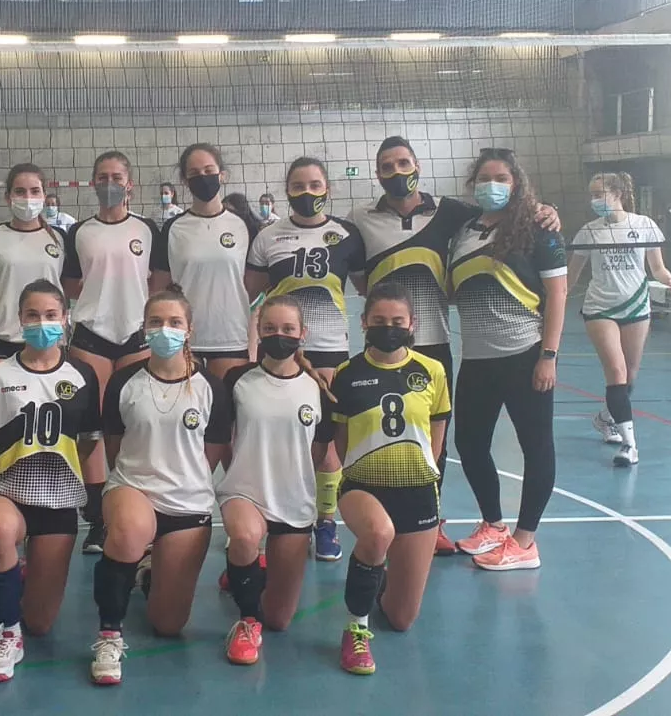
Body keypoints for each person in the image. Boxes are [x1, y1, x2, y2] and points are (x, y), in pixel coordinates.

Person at [348, 136, 560, 556]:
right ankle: (397, 521)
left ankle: (434, 522)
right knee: (399, 438)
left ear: (418, 165)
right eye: (387, 166)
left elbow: (546, 270)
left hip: (441, 348)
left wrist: (546, 209)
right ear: (377, 173)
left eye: (403, 163)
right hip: (403, 347)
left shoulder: (452, 214)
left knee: (437, 444)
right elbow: (359, 279)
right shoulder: (362, 219)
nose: (396, 172)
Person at [91, 285, 230, 685]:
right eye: (156, 322)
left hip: (188, 504)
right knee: (130, 529)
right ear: (144, 328)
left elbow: (212, 453)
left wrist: (181, 478)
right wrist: (133, 488)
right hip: (133, 489)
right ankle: (109, 635)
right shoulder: (124, 382)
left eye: (174, 322)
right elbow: (115, 448)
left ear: (189, 330)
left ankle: (149, 572)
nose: (164, 329)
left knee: (168, 624)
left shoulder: (211, 388)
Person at [0, 280, 100, 683]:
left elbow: (88, 441)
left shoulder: (82, 375)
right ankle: (8, 632)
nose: (42, 323)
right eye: (32, 315)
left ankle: (16, 572)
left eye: (50, 315)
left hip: (57, 500)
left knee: (41, 622)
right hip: (6, 492)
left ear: (65, 318)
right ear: (19, 320)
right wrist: (5, 470)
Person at [448, 147, 566, 571]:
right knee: (469, 443)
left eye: (501, 178)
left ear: (516, 184)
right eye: (484, 178)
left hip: (525, 354)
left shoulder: (537, 227)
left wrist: (548, 356)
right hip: (477, 358)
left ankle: (525, 541)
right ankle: (494, 525)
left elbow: (558, 293)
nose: (492, 185)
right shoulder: (464, 230)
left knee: (536, 447)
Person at [245, 157, 366, 563]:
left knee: (324, 440)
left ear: (327, 187)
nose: (307, 192)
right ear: (287, 191)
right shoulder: (268, 236)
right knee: (276, 436)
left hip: (329, 345)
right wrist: (252, 345)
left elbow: (367, 285)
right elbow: (251, 294)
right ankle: (269, 518)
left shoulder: (346, 234)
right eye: (298, 186)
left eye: (315, 184)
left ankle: (325, 522)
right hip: (281, 344)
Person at [326, 282, 450, 675]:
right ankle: (356, 630)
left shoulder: (431, 371)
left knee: (401, 619)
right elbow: (342, 442)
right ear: (364, 322)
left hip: (418, 493)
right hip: (364, 487)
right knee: (378, 533)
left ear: (412, 324)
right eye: (379, 321)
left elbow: (436, 438)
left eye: (397, 321)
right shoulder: (347, 374)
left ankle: (375, 579)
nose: (389, 328)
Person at [213, 296, 333, 665]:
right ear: (259, 332)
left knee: (279, 619)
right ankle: (246, 621)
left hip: (294, 501)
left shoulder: (317, 388)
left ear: (302, 334)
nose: (278, 335)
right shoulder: (237, 380)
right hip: (244, 492)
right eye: (269, 328)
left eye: (287, 329)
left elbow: (319, 452)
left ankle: (243, 571)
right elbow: (223, 438)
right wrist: (238, 470)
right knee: (245, 536)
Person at [62, 151, 159, 555]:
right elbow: (70, 284)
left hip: (136, 334)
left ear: (129, 183)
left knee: (136, 424)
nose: (109, 183)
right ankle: (98, 519)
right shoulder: (79, 232)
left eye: (116, 177)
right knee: (92, 429)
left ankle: (136, 509)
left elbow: (160, 281)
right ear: (92, 183)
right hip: (93, 334)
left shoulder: (147, 229)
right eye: (102, 176)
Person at [569, 173, 671, 467]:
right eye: (591, 195)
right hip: (599, 308)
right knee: (616, 372)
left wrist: (670, 281)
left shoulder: (644, 225)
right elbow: (571, 275)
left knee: (629, 376)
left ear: (617, 193)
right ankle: (630, 446)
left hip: (636, 305)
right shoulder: (589, 231)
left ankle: (606, 418)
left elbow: (657, 268)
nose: (594, 200)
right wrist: (550, 303)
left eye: (599, 194)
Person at [152, 143, 257, 380]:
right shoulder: (173, 228)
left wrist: (253, 342)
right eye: (194, 173)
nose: (203, 177)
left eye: (209, 171)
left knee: (228, 402)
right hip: (184, 337)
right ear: (184, 180)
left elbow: (254, 289)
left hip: (231, 336)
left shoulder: (243, 225)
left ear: (222, 174)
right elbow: (159, 288)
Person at [0, 165, 65, 363]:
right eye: (20, 191)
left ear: (44, 195)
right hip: (3, 340)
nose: (28, 198)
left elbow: (68, 288)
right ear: (8, 197)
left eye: (35, 191)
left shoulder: (60, 238)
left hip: (49, 339)